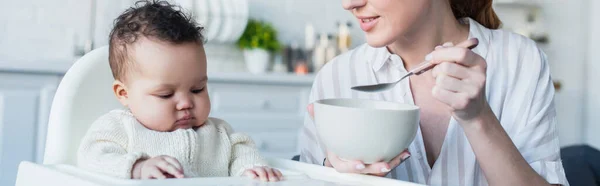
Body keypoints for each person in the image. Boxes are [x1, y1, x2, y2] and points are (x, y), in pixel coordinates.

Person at [298, 0, 568, 185]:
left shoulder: (520, 60)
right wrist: (339, 177)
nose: (349, 3)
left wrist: (478, 118)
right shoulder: (335, 78)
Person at [77, 1, 282, 182]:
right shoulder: (120, 128)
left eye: (197, 89)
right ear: (124, 94)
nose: (186, 103)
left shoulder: (220, 134)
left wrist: (251, 169)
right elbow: (92, 157)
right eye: (165, 94)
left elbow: (243, 151)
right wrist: (137, 168)